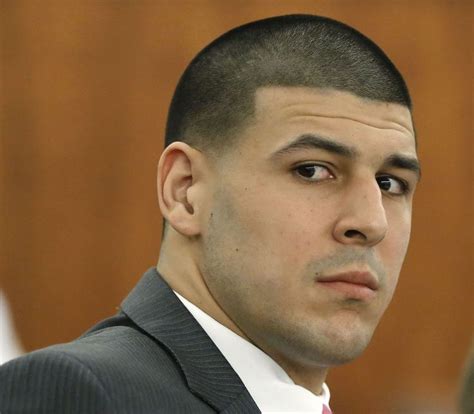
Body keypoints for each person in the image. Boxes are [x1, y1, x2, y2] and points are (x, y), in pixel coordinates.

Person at [0, 14, 420, 413]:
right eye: (311, 170)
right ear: (185, 191)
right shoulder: (80, 393)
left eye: (390, 183)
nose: (372, 223)